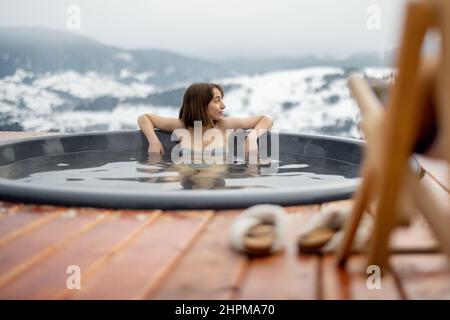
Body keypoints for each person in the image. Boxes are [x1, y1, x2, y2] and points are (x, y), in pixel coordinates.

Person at [137, 83, 273, 157]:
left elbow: (266, 119)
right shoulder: (181, 126)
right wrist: (153, 141)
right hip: (184, 178)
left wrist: (251, 138)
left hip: (216, 181)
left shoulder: (225, 125)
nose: (223, 105)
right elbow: (144, 118)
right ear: (201, 105)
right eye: (217, 100)